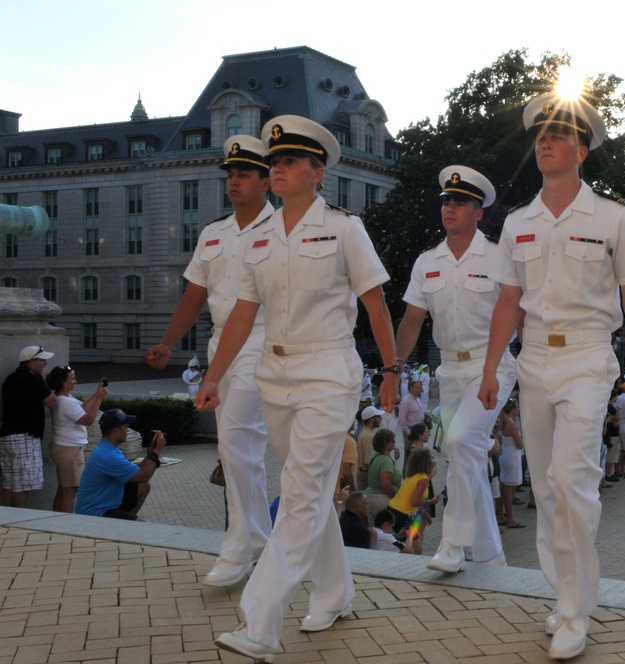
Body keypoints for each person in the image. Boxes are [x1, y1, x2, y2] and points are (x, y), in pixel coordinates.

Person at [195, 115, 400, 663]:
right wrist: (213, 378)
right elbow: (242, 314)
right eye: (274, 162)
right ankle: (334, 594)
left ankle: (260, 622)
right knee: (307, 492)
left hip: (328, 374)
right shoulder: (259, 237)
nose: (276, 170)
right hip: (274, 376)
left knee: (303, 494)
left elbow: (376, 302)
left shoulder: (344, 228)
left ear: (317, 173)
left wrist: (393, 369)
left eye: (287, 162)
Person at [478, 92, 625, 660]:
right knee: (547, 485)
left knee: (573, 479)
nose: (545, 143)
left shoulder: (614, 217)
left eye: (558, 136)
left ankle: (576, 610)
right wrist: (491, 368)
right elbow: (509, 302)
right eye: (540, 137)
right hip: (532, 359)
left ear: (581, 150)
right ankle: (563, 596)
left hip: (586, 357)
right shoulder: (518, 223)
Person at [146, 135, 274, 587]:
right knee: (239, 448)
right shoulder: (213, 233)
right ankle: (255, 541)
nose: (234, 182)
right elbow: (194, 295)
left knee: (237, 443)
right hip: (220, 341)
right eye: (231, 175)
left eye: (244, 174)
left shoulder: (280, 230)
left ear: (267, 181)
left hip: (263, 341)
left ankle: (241, 546)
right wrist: (167, 342)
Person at [395, 165, 517, 572]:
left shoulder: (501, 256)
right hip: (449, 371)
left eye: (460, 202)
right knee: (464, 456)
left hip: (493, 365)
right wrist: (395, 368)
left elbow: (519, 311)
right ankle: (490, 556)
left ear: (478, 212)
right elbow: (412, 319)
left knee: (462, 444)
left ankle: (451, 544)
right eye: (446, 201)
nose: (450, 208)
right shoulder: (427, 261)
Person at [75, 409, 167, 520]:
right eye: (125, 427)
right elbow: (143, 476)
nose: (127, 430)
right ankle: (123, 525)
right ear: (116, 431)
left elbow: (137, 473)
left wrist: (151, 451)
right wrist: (156, 450)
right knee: (142, 525)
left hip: (103, 506)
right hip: (94, 513)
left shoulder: (107, 447)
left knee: (142, 487)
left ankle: (124, 522)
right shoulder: (108, 455)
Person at [45, 365, 108, 512]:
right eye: (72, 379)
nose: (76, 381)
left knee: (63, 488)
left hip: (64, 448)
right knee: (70, 492)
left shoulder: (65, 398)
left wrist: (97, 394)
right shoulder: (65, 402)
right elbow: (87, 420)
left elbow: (83, 407)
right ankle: (66, 525)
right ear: (62, 381)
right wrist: (99, 398)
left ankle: (56, 520)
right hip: (70, 450)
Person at [0, 345, 57, 507]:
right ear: (31, 362)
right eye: (42, 360)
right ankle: (19, 520)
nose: (45, 363)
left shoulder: (10, 378)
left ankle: (6, 519)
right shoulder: (33, 378)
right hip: (25, 436)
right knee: (22, 484)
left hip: (7, 436)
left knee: (9, 481)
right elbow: (52, 403)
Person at [387, 447, 440, 554]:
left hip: (397, 511)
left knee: (415, 547)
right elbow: (414, 501)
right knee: (410, 548)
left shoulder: (412, 476)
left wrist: (425, 514)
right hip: (403, 515)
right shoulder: (423, 479)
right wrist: (430, 502)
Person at [498, 398, 525, 528]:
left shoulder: (505, 422)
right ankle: (510, 519)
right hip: (512, 457)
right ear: (513, 409)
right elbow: (520, 445)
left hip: (505, 454)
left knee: (503, 487)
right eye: (517, 407)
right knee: (509, 490)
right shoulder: (512, 425)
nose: (518, 409)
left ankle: (501, 515)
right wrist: (523, 436)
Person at [365, 428, 402, 520]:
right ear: (386, 443)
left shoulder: (375, 454)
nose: (394, 442)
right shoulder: (385, 460)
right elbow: (386, 485)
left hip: (372, 495)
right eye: (392, 441)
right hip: (381, 499)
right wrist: (396, 498)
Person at [356, 405, 385, 492]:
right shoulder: (368, 436)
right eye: (378, 416)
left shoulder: (367, 433)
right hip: (367, 476)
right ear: (371, 419)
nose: (381, 419)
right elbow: (369, 461)